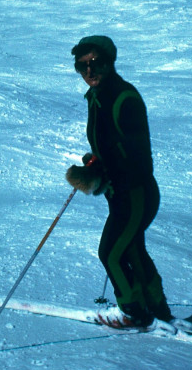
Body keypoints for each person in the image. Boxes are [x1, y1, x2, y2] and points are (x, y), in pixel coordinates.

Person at [65, 35, 173, 329]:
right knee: (132, 250)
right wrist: (96, 162)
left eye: (95, 63)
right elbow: (111, 147)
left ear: (109, 62)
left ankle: (132, 312)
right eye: (82, 66)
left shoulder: (124, 98)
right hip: (121, 192)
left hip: (135, 192)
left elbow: (137, 156)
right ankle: (157, 308)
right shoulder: (98, 98)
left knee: (110, 253)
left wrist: (98, 173)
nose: (89, 71)